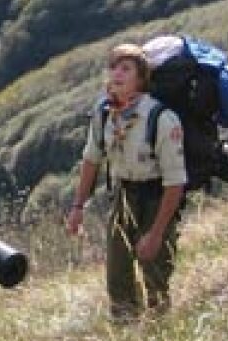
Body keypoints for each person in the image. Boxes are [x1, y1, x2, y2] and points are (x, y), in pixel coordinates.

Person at [65, 43, 189, 322]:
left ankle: (160, 340)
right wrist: (77, 207)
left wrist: (156, 233)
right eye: (113, 67)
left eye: (126, 68)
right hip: (123, 197)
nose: (117, 74)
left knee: (156, 275)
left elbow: (175, 182)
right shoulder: (104, 114)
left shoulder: (161, 118)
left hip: (157, 198)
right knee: (117, 276)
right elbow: (91, 160)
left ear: (141, 78)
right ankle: (126, 333)